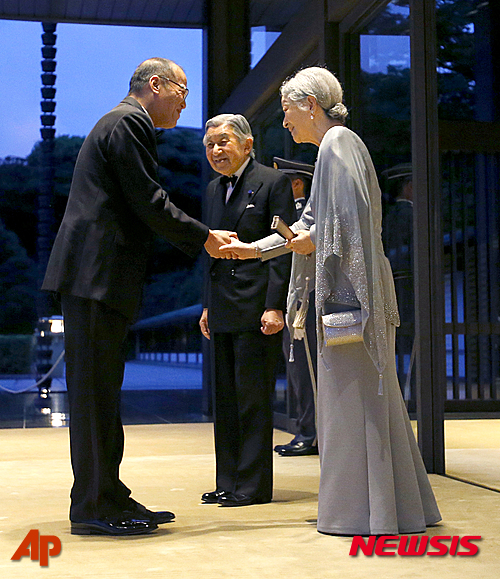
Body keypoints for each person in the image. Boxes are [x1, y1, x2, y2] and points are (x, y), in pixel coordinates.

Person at [221, 67, 441, 535]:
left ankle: (364, 514)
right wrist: (254, 248)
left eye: (287, 112)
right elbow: (314, 228)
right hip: (354, 292)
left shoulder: (338, 145)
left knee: (352, 404)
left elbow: (340, 225)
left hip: (350, 296)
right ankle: (385, 509)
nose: (285, 123)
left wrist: (303, 243)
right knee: (365, 404)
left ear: (310, 106)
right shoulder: (339, 146)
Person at [42, 58, 234, 536]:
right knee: (94, 397)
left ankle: (107, 494)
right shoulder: (128, 121)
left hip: (95, 278)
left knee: (100, 395)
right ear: (156, 85)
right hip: (94, 276)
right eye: (182, 92)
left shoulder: (120, 122)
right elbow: (147, 199)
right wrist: (205, 235)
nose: (186, 103)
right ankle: (93, 504)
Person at [199, 114, 294, 507]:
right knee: (225, 399)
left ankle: (252, 486)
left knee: (252, 399)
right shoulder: (210, 189)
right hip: (222, 305)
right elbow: (210, 254)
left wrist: (275, 306)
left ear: (247, 145)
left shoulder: (273, 183)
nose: (216, 150)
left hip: (257, 306)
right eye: (209, 145)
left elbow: (282, 248)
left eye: (223, 142)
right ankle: (228, 480)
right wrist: (206, 304)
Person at [271, 158, 318, 457]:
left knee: (305, 368)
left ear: (297, 184)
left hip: (306, 299)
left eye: (282, 182)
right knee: (298, 368)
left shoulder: (300, 216)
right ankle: (307, 429)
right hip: (297, 300)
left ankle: (310, 432)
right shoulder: (292, 215)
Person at [382, 164, 415, 402]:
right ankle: (411, 392)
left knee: (397, 341)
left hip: (392, 281)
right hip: (408, 282)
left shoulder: (389, 215)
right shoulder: (410, 214)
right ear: (409, 186)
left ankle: (399, 391)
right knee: (410, 339)